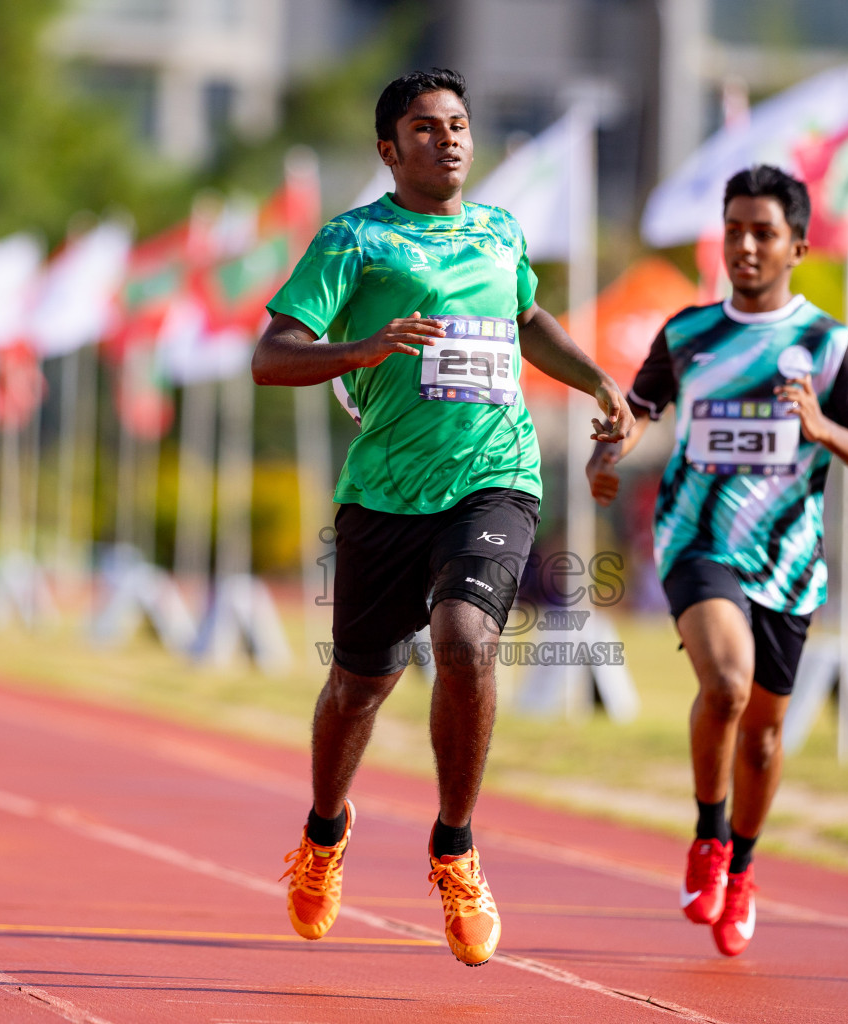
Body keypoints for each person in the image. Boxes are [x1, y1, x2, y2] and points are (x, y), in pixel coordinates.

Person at [253, 68, 633, 967]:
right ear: (390, 149)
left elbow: (527, 315)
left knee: (465, 639)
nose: (449, 140)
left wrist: (597, 380)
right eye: (426, 129)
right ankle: (324, 833)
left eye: (459, 125)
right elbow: (273, 357)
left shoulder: (500, 231)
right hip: (384, 493)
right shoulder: (353, 241)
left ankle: (455, 848)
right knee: (357, 689)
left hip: (494, 480)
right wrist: (366, 346)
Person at [587, 165, 848, 958]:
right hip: (698, 538)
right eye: (733, 231)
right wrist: (607, 453)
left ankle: (746, 868)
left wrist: (823, 429)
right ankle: (708, 835)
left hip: (790, 562)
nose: (746, 246)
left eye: (763, 233)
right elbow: (638, 414)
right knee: (723, 685)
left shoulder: (830, 348)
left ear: (798, 244)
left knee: (763, 735)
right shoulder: (688, 334)